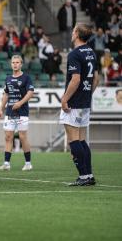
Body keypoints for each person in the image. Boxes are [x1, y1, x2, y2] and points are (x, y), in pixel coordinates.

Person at [59, 23, 100, 186]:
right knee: (82, 140)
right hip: (85, 102)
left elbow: (75, 79)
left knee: (73, 141)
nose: (72, 33)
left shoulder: (74, 54)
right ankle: (88, 175)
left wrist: (64, 99)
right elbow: (96, 79)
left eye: (73, 30)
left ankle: (83, 176)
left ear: (76, 34)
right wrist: (87, 94)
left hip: (74, 103)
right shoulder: (92, 52)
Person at [0, 55, 35, 171]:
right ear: (11, 64)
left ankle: (28, 163)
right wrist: (1, 108)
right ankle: (6, 164)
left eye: (17, 62)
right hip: (10, 113)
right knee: (8, 137)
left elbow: (31, 92)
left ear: (21, 64)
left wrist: (20, 103)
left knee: (23, 137)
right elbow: (6, 94)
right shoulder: (8, 78)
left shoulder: (26, 78)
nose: (15, 64)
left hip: (22, 112)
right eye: (13, 62)